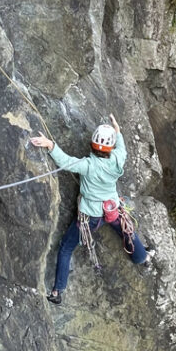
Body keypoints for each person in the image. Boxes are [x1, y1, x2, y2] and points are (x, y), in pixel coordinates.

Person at [30, 113, 147, 304]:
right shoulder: (118, 159)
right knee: (126, 230)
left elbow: (65, 161)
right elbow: (121, 146)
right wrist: (117, 130)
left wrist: (50, 144)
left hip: (90, 216)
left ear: (92, 144)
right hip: (112, 208)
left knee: (66, 247)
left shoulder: (87, 165)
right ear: (111, 147)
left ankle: (58, 291)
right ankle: (142, 256)